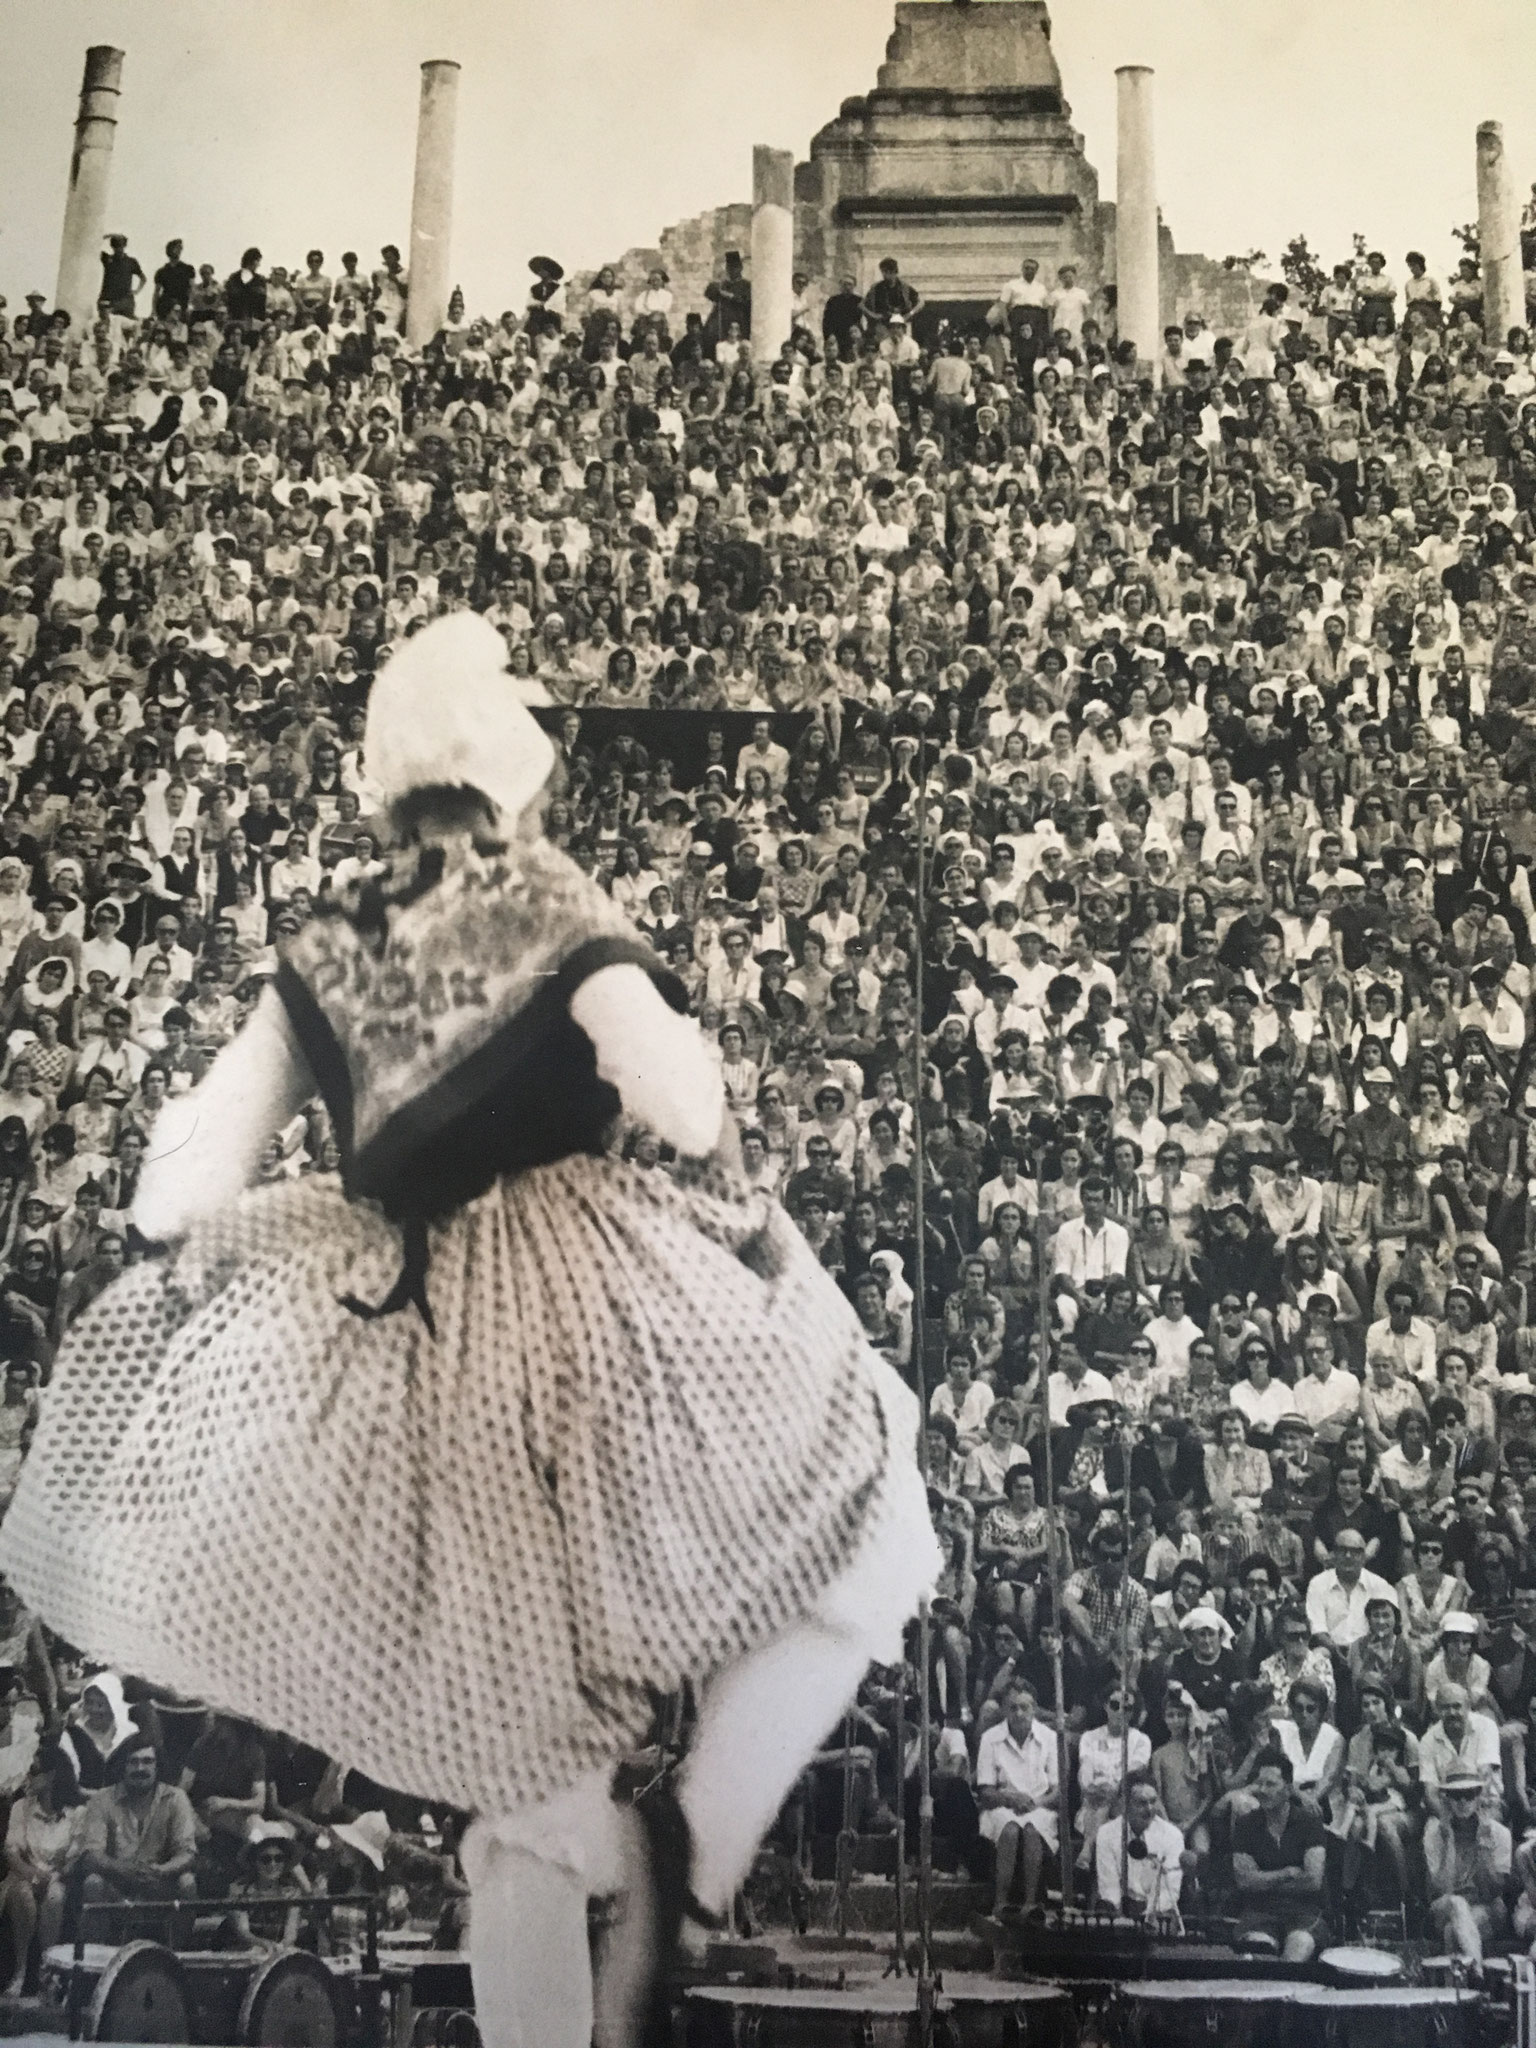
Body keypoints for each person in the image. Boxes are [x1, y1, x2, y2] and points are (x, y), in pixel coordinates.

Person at [0, 617, 939, 2048]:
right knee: (876, 1487)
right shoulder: (543, 894)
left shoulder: (325, 951)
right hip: (593, 1308)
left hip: (407, 1358)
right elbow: (682, 1102)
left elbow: (183, 1181)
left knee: (522, 1779)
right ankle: (698, 1850)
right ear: (506, 769)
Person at [1229, 1750, 1329, 1962]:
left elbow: (1313, 1881)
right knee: (1259, 1955)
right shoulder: (1246, 1824)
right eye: (1260, 1784)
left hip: (1304, 1912)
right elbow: (1244, 1881)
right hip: (1259, 1912)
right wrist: (1287, 1873)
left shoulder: (1309, 1823)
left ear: (1288, 1788)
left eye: (1271, 1784)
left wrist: (1263, 1878)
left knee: (1296, 1953)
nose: (1262, 1790)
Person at [975, 1681, 1060, 1919]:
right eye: (1012, 1707)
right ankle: (1000, 1902)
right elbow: (985, 1791)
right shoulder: (990, 1738)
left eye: (1025, 1707)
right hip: (1002, 1805)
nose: (1019, 1713)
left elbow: (1057, 1791)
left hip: (1039, 1806)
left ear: (1034, 1709)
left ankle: (1031, 1903)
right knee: (1010, 1829)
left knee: (1032, 1830)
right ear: (1003, 1709)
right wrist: (1011, 1800)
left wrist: (1034, 1804)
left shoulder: (1049, 1737)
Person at [1424, 1766, 1512, 1969]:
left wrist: (1483, 1845)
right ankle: (1477, 1970)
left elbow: (1492, 1891)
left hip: (1486, 1907)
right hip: (1446, 1904)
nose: (1463, 1802)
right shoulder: (1434, 1834)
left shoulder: (1499, 1834)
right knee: (1456, 1903)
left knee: (1451, 1931)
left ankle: (1458, 1988)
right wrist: (1449, 1840)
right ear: (1447, 1799)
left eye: (1469, 1794)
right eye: (1456, 1795)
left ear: (1479, 1797)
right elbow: (1441, 1889)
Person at [1094, 1774, 1184, 1918]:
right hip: (1120, 1911)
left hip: (1158, 1911)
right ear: (1125, 1804)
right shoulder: (1106, 1834)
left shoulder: (1173, 1836)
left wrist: (1147, 1915)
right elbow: (1109, 1887)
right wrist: (1121, 1919)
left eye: (1153, 1802)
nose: (1149, 1809)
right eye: (1141, 1803)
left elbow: (1170, 1892)